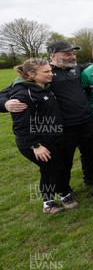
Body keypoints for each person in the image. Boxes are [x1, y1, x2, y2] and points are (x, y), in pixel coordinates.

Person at [1, 41, 93, 188]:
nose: (72, 57)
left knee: (92, 152)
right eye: (67, 54)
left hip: (86, 121)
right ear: (53, 55)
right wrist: (6, 103)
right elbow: (8, 92)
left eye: (73, 54)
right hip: (64, 126)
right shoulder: (43, 72)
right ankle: (64, 189)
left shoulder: (77, 68)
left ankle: (90, 178)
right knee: (64, 160)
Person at [8, 58, 75, 214]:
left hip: (51, 137)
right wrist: (36, 146)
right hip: (35, 143)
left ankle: (48, 203)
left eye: (50, 71)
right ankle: (65, 195)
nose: (51, 74)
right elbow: (21, 124)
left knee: (48, 170)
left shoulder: (43, 87)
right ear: (31, 74)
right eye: (46, 72)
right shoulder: (24, 94)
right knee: (57, 169)